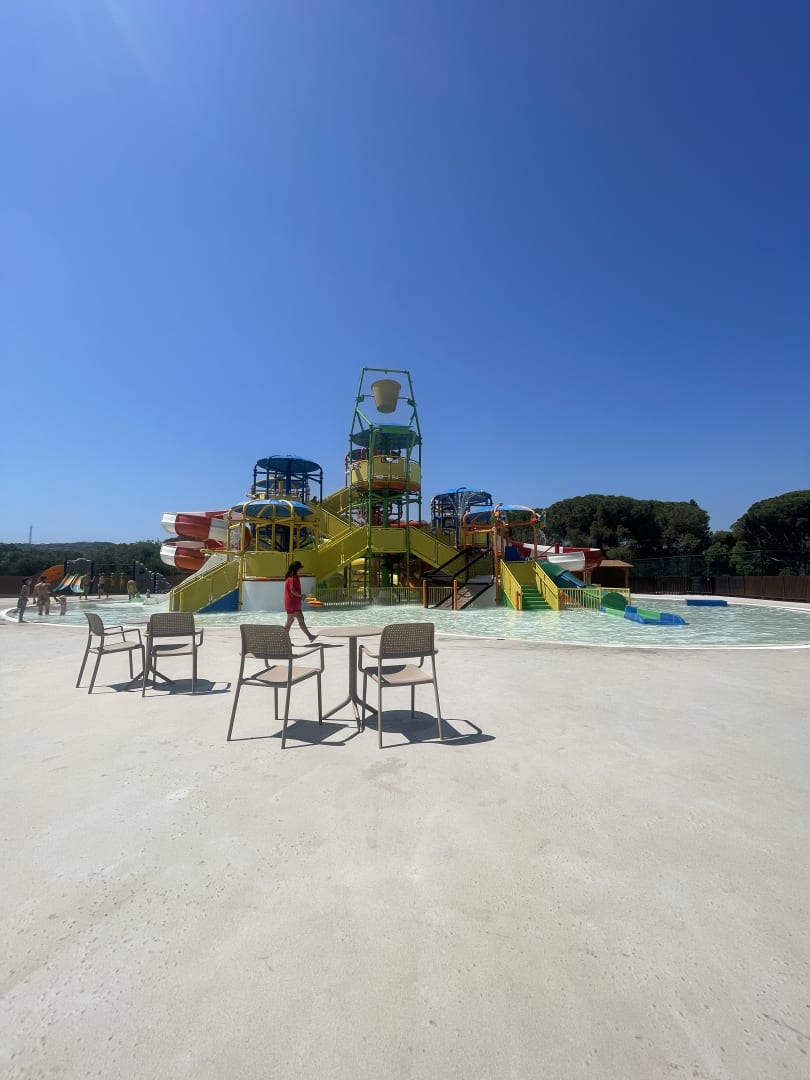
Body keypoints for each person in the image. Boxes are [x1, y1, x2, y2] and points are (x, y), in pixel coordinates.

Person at [283, 561, 316, 642]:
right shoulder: (292, 579)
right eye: (300, 568)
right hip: (292, 603)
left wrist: (301, 596)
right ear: (296, 569)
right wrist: (301, 596)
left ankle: (310, 637)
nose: (301, 569)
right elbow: (293, 591)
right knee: (294, 620)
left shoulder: (295, 578)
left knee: (294, 620)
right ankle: (284, 640)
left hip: (294, 603)